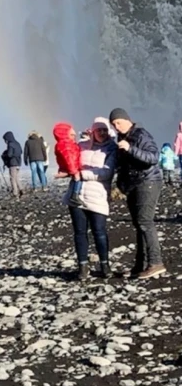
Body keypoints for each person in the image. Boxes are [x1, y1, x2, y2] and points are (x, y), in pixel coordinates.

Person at [109, 107, 165, 280]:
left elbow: (153, 157)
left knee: (145, 221)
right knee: (138, 224)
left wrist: (130, 149)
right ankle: (140, 265)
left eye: (118, 122)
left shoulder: (141, 135)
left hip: (148, 182)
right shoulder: (121, 138)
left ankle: (156, 263)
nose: (116, 126)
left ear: (127, 119)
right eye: (113, 124)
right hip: (133, 185)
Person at [66, 118, 117, 282]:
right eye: (98, 130)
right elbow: (68, 157)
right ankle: (83, 267)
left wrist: (81, 174)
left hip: (97, 195)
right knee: (80, 233)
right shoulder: (82, 146)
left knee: (99, 232)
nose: (101, 133)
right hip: (76, 194)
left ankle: (105, 265)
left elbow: (106, 173)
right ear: (92, 131)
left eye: (104, 130)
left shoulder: (112, 149)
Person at [53, 123, 84, 207]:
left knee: (76, 179)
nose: (74, 135)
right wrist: (74, 171)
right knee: (77, 178)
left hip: (72, 167)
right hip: (73, 168)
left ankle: (74, 195)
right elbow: (69, 159)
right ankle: (75, 195)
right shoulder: (66, 145)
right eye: (71, 134)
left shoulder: (66, 143)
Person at [1, 131, 24, 198]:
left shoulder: (10, 144)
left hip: (13, 163)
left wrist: (5, 155)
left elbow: (9, 154)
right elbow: (21, 152)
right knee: (17, 177)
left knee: (12, 178)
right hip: (18, 162)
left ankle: (15, 192)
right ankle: (21, 189)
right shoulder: (17, 143)